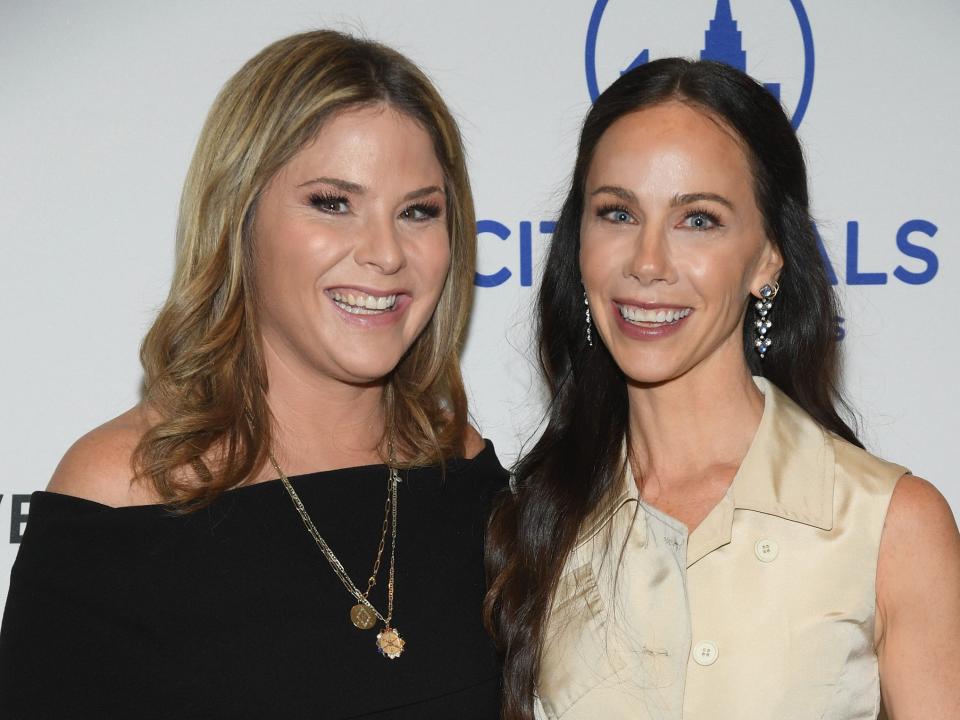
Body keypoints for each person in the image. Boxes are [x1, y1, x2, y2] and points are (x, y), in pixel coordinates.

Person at [0, 30, 506, 719]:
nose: (386, 253)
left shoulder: (461, 467)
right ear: (239, 218)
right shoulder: (121, 496)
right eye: (333, 203)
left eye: (418, 211)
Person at [484, 58, 960, 720]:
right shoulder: (532, 526)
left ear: (768, 257)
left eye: (698, 219)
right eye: (617, 213)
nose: (647, 262)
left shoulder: (889, 525)